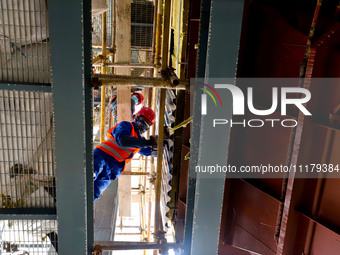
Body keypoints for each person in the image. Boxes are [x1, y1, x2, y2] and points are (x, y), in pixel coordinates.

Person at [94, 107, 157, 201]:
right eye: (145, 120)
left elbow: (150, 151)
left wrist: (162, 145)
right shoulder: (126, 126)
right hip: (102, 157)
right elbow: (123, 141)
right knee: (87, 177)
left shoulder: (138, 142)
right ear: (136, 117)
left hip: (109, 174)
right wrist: (149, 142)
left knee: (93, 195)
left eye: (148, 124)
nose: (145, 125)